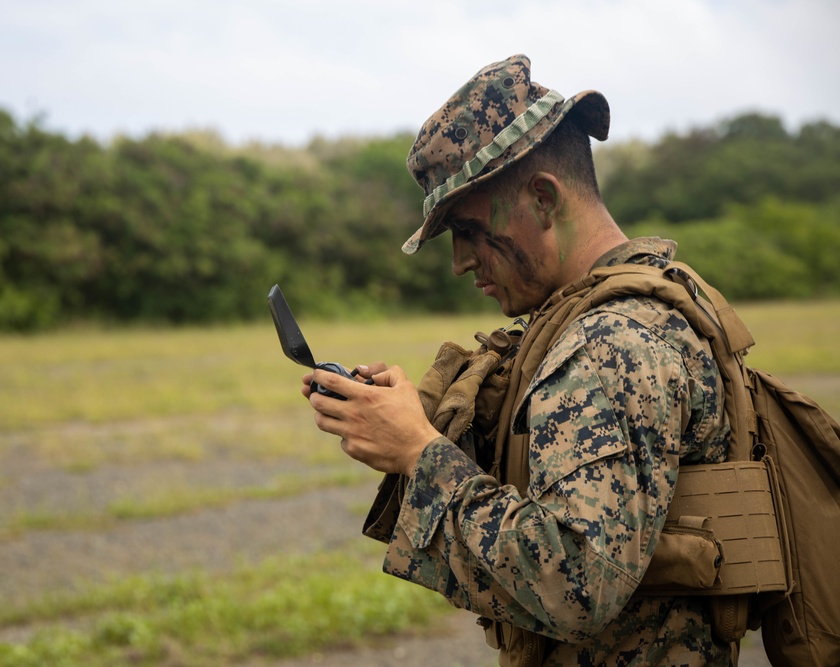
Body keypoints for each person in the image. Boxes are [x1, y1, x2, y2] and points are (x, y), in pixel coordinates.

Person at [302, 55, 735, 666]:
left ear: (541, 197)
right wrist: (414, 424)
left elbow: (577, 585)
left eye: (469, 230)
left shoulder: (609, 344)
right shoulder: (633, 306)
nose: (459, 262)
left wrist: (419, 456)